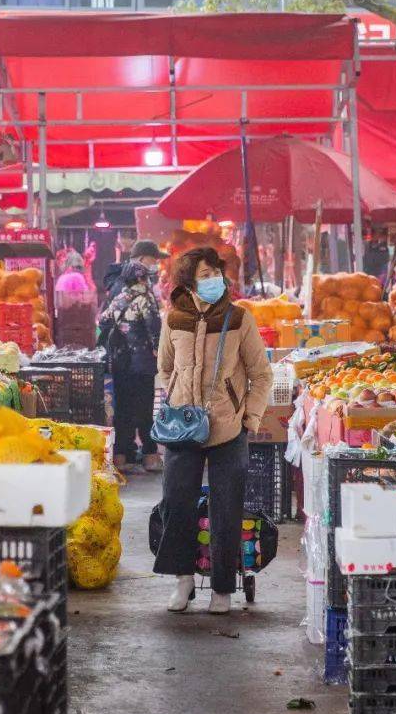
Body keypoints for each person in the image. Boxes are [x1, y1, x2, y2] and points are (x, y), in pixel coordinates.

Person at [152, 247, 273, 615]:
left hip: (227, 427)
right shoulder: (174, 320)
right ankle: (182, 579)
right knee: (177, 501)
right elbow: (164, 369)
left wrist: (249, 418)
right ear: (189, 281)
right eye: (204, 274)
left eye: (215, 273)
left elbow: (261, 375)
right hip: (182, 429)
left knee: (226, 508)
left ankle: (222, 588)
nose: (212, 280)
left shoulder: (239, 318)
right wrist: (171, 403)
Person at [98, 259, 163, 473]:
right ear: (141, 278)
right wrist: (159, 351)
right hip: (141, 364)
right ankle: (150, 455)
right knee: (144, 409)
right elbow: (155, 329)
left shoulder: (119, 298)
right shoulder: (146, 299)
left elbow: (103, 322)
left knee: (123, 409)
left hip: (119, 362)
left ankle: (120, 456)